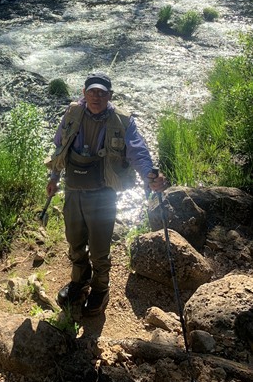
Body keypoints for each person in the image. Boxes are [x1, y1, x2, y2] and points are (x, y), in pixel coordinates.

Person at [46, 72, 167, 317]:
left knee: (100, 249)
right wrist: (53, 179)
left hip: (103, 194)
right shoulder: (72, 113)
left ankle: (101, 289)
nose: (96, 96)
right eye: (92, 91)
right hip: (73, 190)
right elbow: (60, 146)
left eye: (102, 92)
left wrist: (150, 177)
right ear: (84, 93)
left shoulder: (122, 121)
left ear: (110, 95)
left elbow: (138, 153)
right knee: (74, 240)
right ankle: (80, 280)